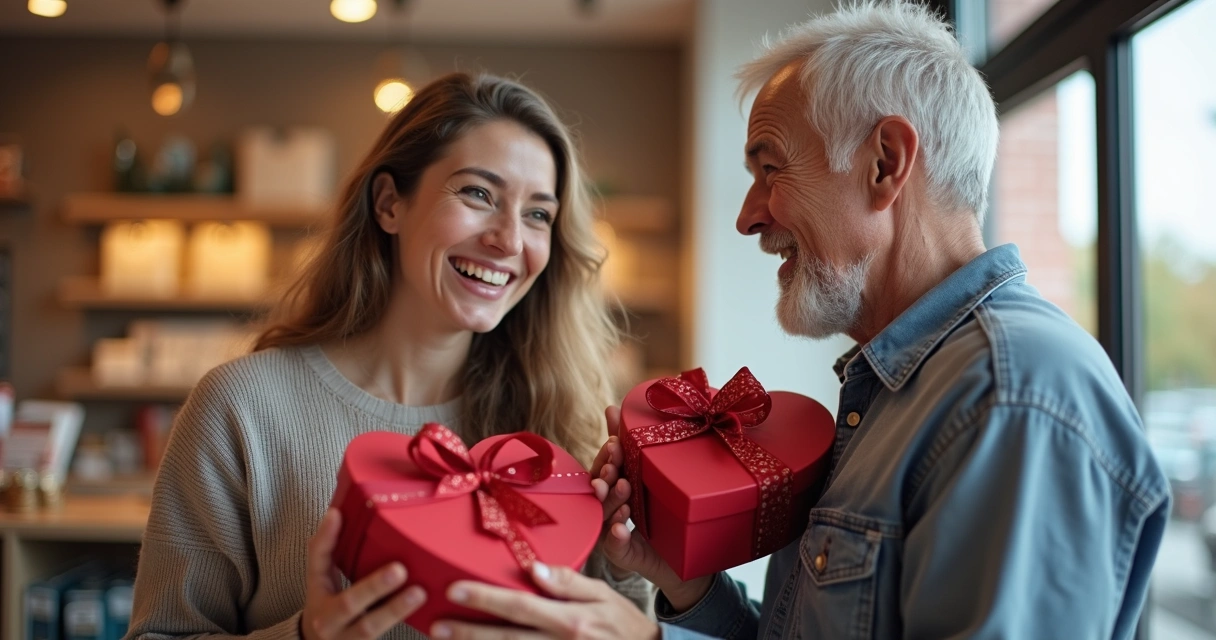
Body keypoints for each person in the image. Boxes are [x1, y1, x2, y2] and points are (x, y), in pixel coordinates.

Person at [430, 3, 1172, 639]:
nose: (749, 216)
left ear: (886, 162)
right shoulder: (893, 390)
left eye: (771, 167)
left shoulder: (1010, 396)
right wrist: (680, 585)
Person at [125, 72, 652, 640]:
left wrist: (626, 571)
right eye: (478, 194)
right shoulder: (241, 409)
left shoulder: (560, 430)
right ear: (389, 204)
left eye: (538, 214)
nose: (510, 240)